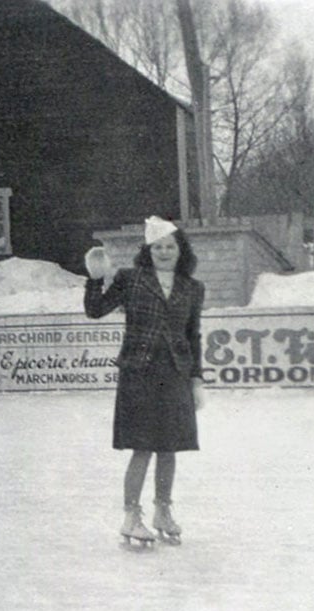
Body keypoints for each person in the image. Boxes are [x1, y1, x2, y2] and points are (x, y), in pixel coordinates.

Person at [83, 216, 206, 546]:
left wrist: (196, 379)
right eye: (158, 248)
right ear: (148, 251)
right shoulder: (131, 279)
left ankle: (162, 511)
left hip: (176, 374)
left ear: (181, 251)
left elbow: (193, 335)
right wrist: (95, 279)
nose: (164, 252)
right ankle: (131, 515)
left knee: (170, 448)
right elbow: (95, 310)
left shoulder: (193, 288)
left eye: (170, 247)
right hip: (139, 373)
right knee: (143, 447)